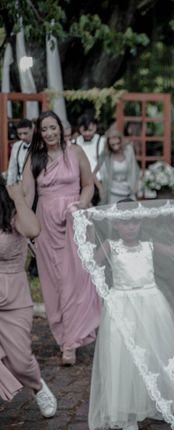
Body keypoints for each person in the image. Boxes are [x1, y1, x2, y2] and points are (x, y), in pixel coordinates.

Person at [88, 201, 174, 430]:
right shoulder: (111, 246)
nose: (130, 227)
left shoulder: (149, 246)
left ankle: (157, 403)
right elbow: (90, 259)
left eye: (134, 221)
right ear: (116, 224)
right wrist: (89, 225)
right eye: (124, 222)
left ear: (141, 222)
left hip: (151, 304)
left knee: (156, 354)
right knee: (126, 358)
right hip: (122, 305)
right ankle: (129, 415)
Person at [20, 111, 100, 366]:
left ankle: (71, 343)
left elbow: (88, 185)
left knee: (74, 280)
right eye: (45, 130)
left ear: (61, 129)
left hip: (73, 222)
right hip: (46, 225)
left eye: (53, 128)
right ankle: (64, 336)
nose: (50, 133)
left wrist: (80, 205)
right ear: (39, 133)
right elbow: (26, 194)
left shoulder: (75, 152)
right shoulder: (34, 157)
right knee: (54, 283)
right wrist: (24, 225)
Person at [0, 177, 57, 417]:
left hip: (13, 296)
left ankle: (36, 385)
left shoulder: (12, 213)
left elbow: (33, 230)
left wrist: (19, 199)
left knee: (20, 360)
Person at [94, 128, 140, 204]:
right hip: (113, 193)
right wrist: (100, 188)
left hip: (129, 191)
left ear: (121, 141)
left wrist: (136, 185)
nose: (116, 147)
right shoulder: (106, 154)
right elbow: (93, 174)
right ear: (108, 144)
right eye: (113, 145)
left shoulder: (129, 150)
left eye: (118, 143)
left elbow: (135, 169)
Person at [6, 118, 34, 185]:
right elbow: (12, 170)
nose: (22, 137)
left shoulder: (40, 146)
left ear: (32, 130)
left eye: (25, 133)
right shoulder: (16, 146)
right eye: (20, 134)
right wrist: (9, 187)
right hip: (20, 184)